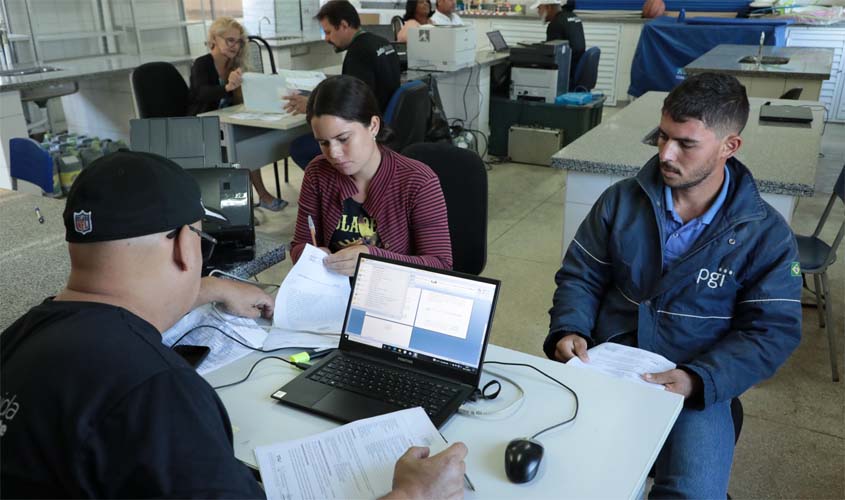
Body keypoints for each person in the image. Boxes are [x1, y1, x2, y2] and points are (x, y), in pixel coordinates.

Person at [0, 150, 467, 498]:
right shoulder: (156, 392)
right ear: (185, 248)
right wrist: (412, 494)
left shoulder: (21, 338)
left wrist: (213, 288)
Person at [545, 73, 801, 498]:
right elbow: (581, 276)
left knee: (694, 493)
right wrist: (569, 328)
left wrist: (699, 380)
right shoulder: (620, 201)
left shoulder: (764, 234)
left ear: (729, 146)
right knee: (553, 471)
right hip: (608, 364)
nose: (666, 153)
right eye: (662, 137)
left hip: (694, 378)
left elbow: (771, 331)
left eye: (685, 143)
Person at [291, 75, 452, 276]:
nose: (334, 153)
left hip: (393, 294)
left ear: (373, 126)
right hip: (335, 292)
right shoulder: (318, 172)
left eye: (343, 139)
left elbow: (440, 264)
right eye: (323, 143)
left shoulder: (418, 181)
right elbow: (299, 244)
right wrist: (309, 256)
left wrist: (373, 259)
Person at [285, 0, 401, 170]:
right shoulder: (381, 42)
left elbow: (347, 107)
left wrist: (311, 106)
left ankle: (340, 189)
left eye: (328, 32)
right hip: (386, 126)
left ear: (344, 25)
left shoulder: (357, 53)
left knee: (299, 148)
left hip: (369, 133)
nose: (326, 38)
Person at [187, 17, 287, 212]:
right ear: (214, 39)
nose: (235, 46)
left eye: (239, 41)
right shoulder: (202, 63)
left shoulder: (235, 64)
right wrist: (227, 87)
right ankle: (244, 206)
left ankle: (254, 201)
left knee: (246, 143)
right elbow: (201, 93)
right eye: (230, 40)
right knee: (238, 147)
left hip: (226, 121)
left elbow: (240, 101)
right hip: (200, 124)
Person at [532, 0, 584, 78]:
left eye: (539, 8)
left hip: (565, 75)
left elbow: (552, 58)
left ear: (548, 7)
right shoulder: (573, 16)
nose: (538, 12)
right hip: (576, 69)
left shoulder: (555, 24)